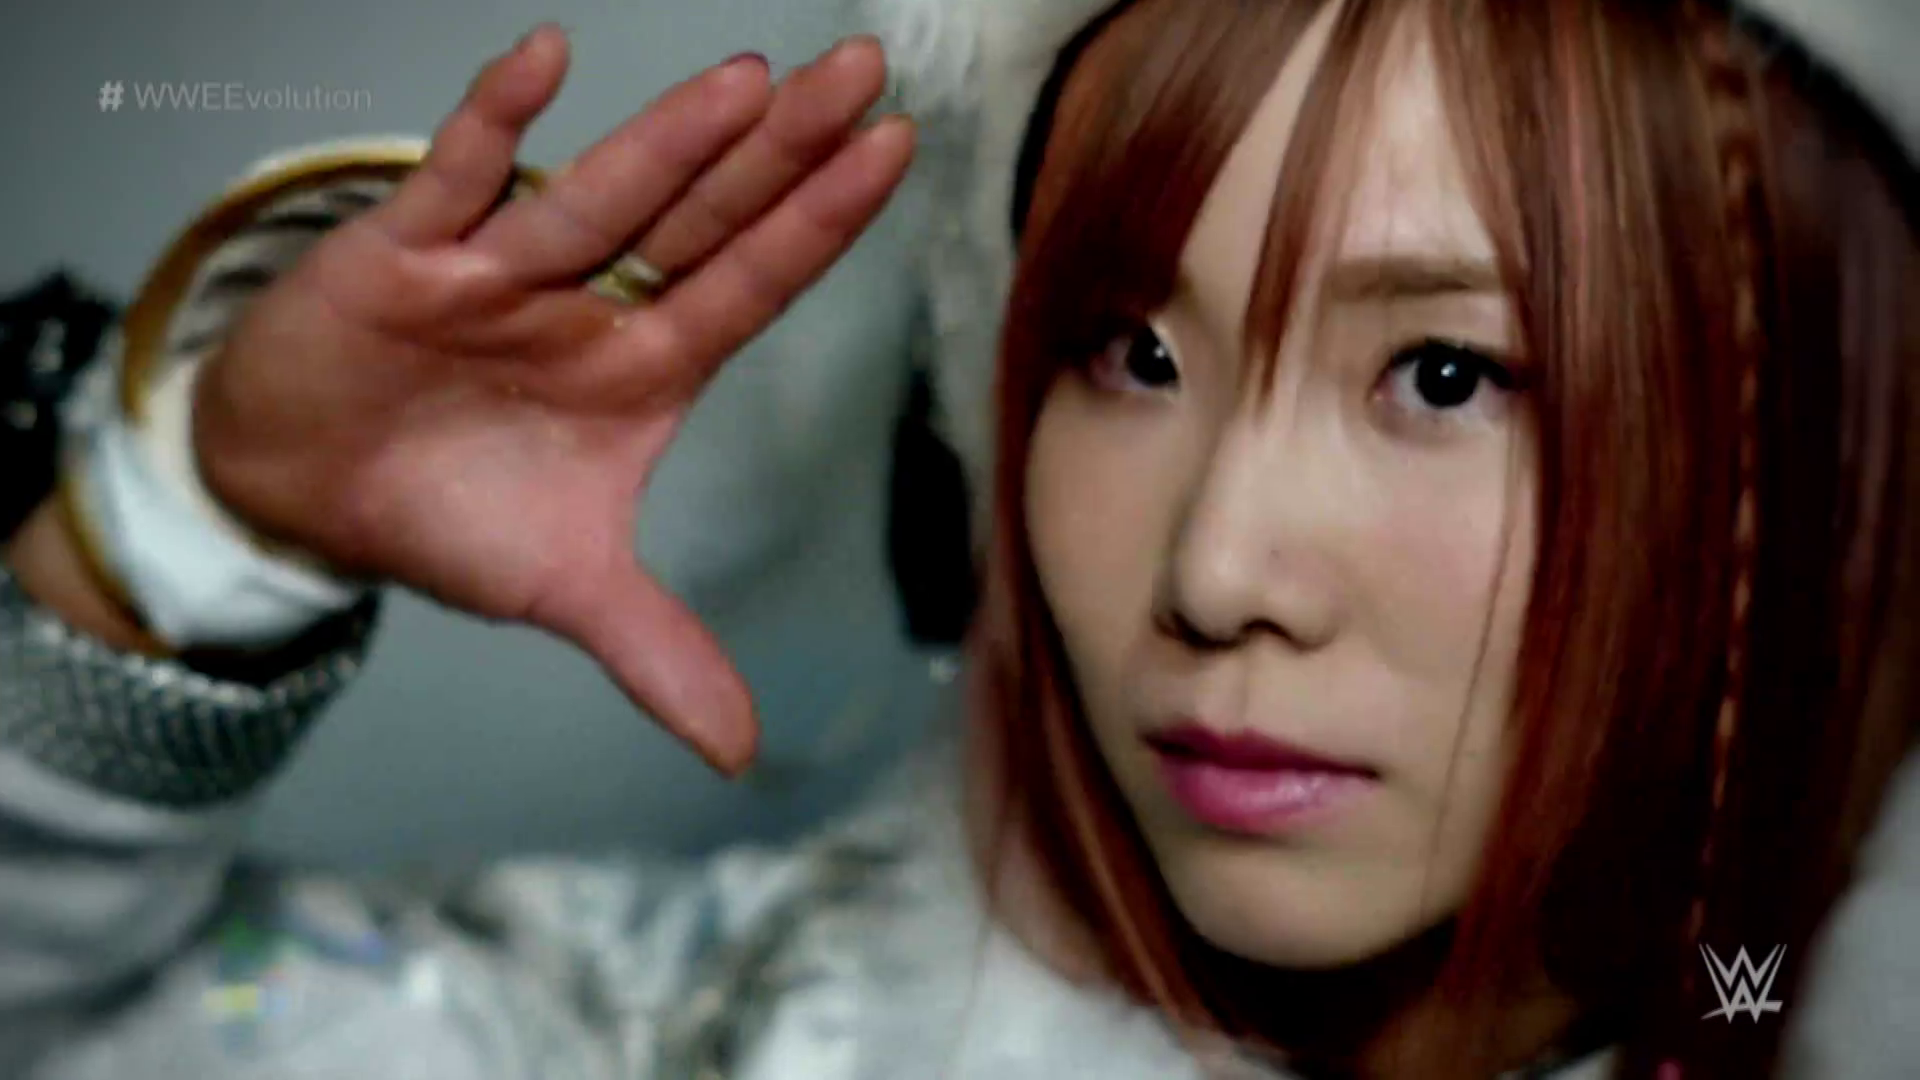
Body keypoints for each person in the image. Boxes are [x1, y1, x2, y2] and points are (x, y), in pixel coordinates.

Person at [1, 0, 1916, 1077]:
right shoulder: (727, 1029)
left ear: (1816, 466)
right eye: (1130, 352)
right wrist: (200, 539)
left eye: (1443, 374)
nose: (1216, 573)